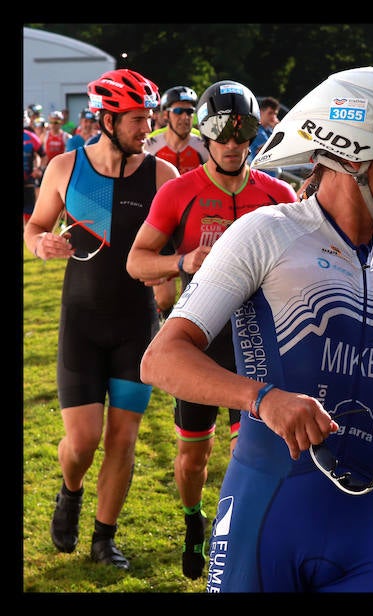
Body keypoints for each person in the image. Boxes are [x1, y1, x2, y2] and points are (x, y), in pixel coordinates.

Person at [139, 66, 373, 593]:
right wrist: (264, 399)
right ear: (354, 151)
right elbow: (162, 358)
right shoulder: (267, 233)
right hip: (268, 513)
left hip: (370, 525)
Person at [127, 79, 297, 580]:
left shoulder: (276, 193)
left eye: (241, 134)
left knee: (256, 451)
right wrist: (184, 260)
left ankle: (248, 534)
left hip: (257, 341)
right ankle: (192, 522)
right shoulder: (179, 192)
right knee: (193, 457)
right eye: (220, 133)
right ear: (204, 133)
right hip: (202, 342)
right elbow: (137, 263)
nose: (230, 145)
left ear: (253, 136)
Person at [23, 68, 177, 570]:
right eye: (137, 119)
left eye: (150, 118)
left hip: (136, 326)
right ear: (107, 119)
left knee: (123, 438)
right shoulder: (65, 167)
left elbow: (171, 247)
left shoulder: (161, 176)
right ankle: (70, 491)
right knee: (84, 439)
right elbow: (36, 226)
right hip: (82, 325)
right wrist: (40, 244)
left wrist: (170, 289)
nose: (147, 129)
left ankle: (103, 538)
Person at [144, 85, 210, 320]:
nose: (185, 118)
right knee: (164, 297)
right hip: (161, 223)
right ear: (165, 114)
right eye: (179, 111)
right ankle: (163, 326)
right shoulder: (150, 145)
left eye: (190, 112)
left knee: (196, 292)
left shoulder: (202, 144)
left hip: (195, 223)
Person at [249, 96, 281, 177]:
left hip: (267, 177)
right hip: (258, 176)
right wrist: (279, 131)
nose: (273, 117)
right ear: (260, 112)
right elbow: (269, 150)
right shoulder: (256, 130)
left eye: (275, 114)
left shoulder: (270, 132)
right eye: (270, 113)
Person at [23, 120, 45, 227]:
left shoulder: (31, 137)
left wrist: (39, 169)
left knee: (29, 212)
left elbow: (44, 156)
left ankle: (28, 238)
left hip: (28, 180)